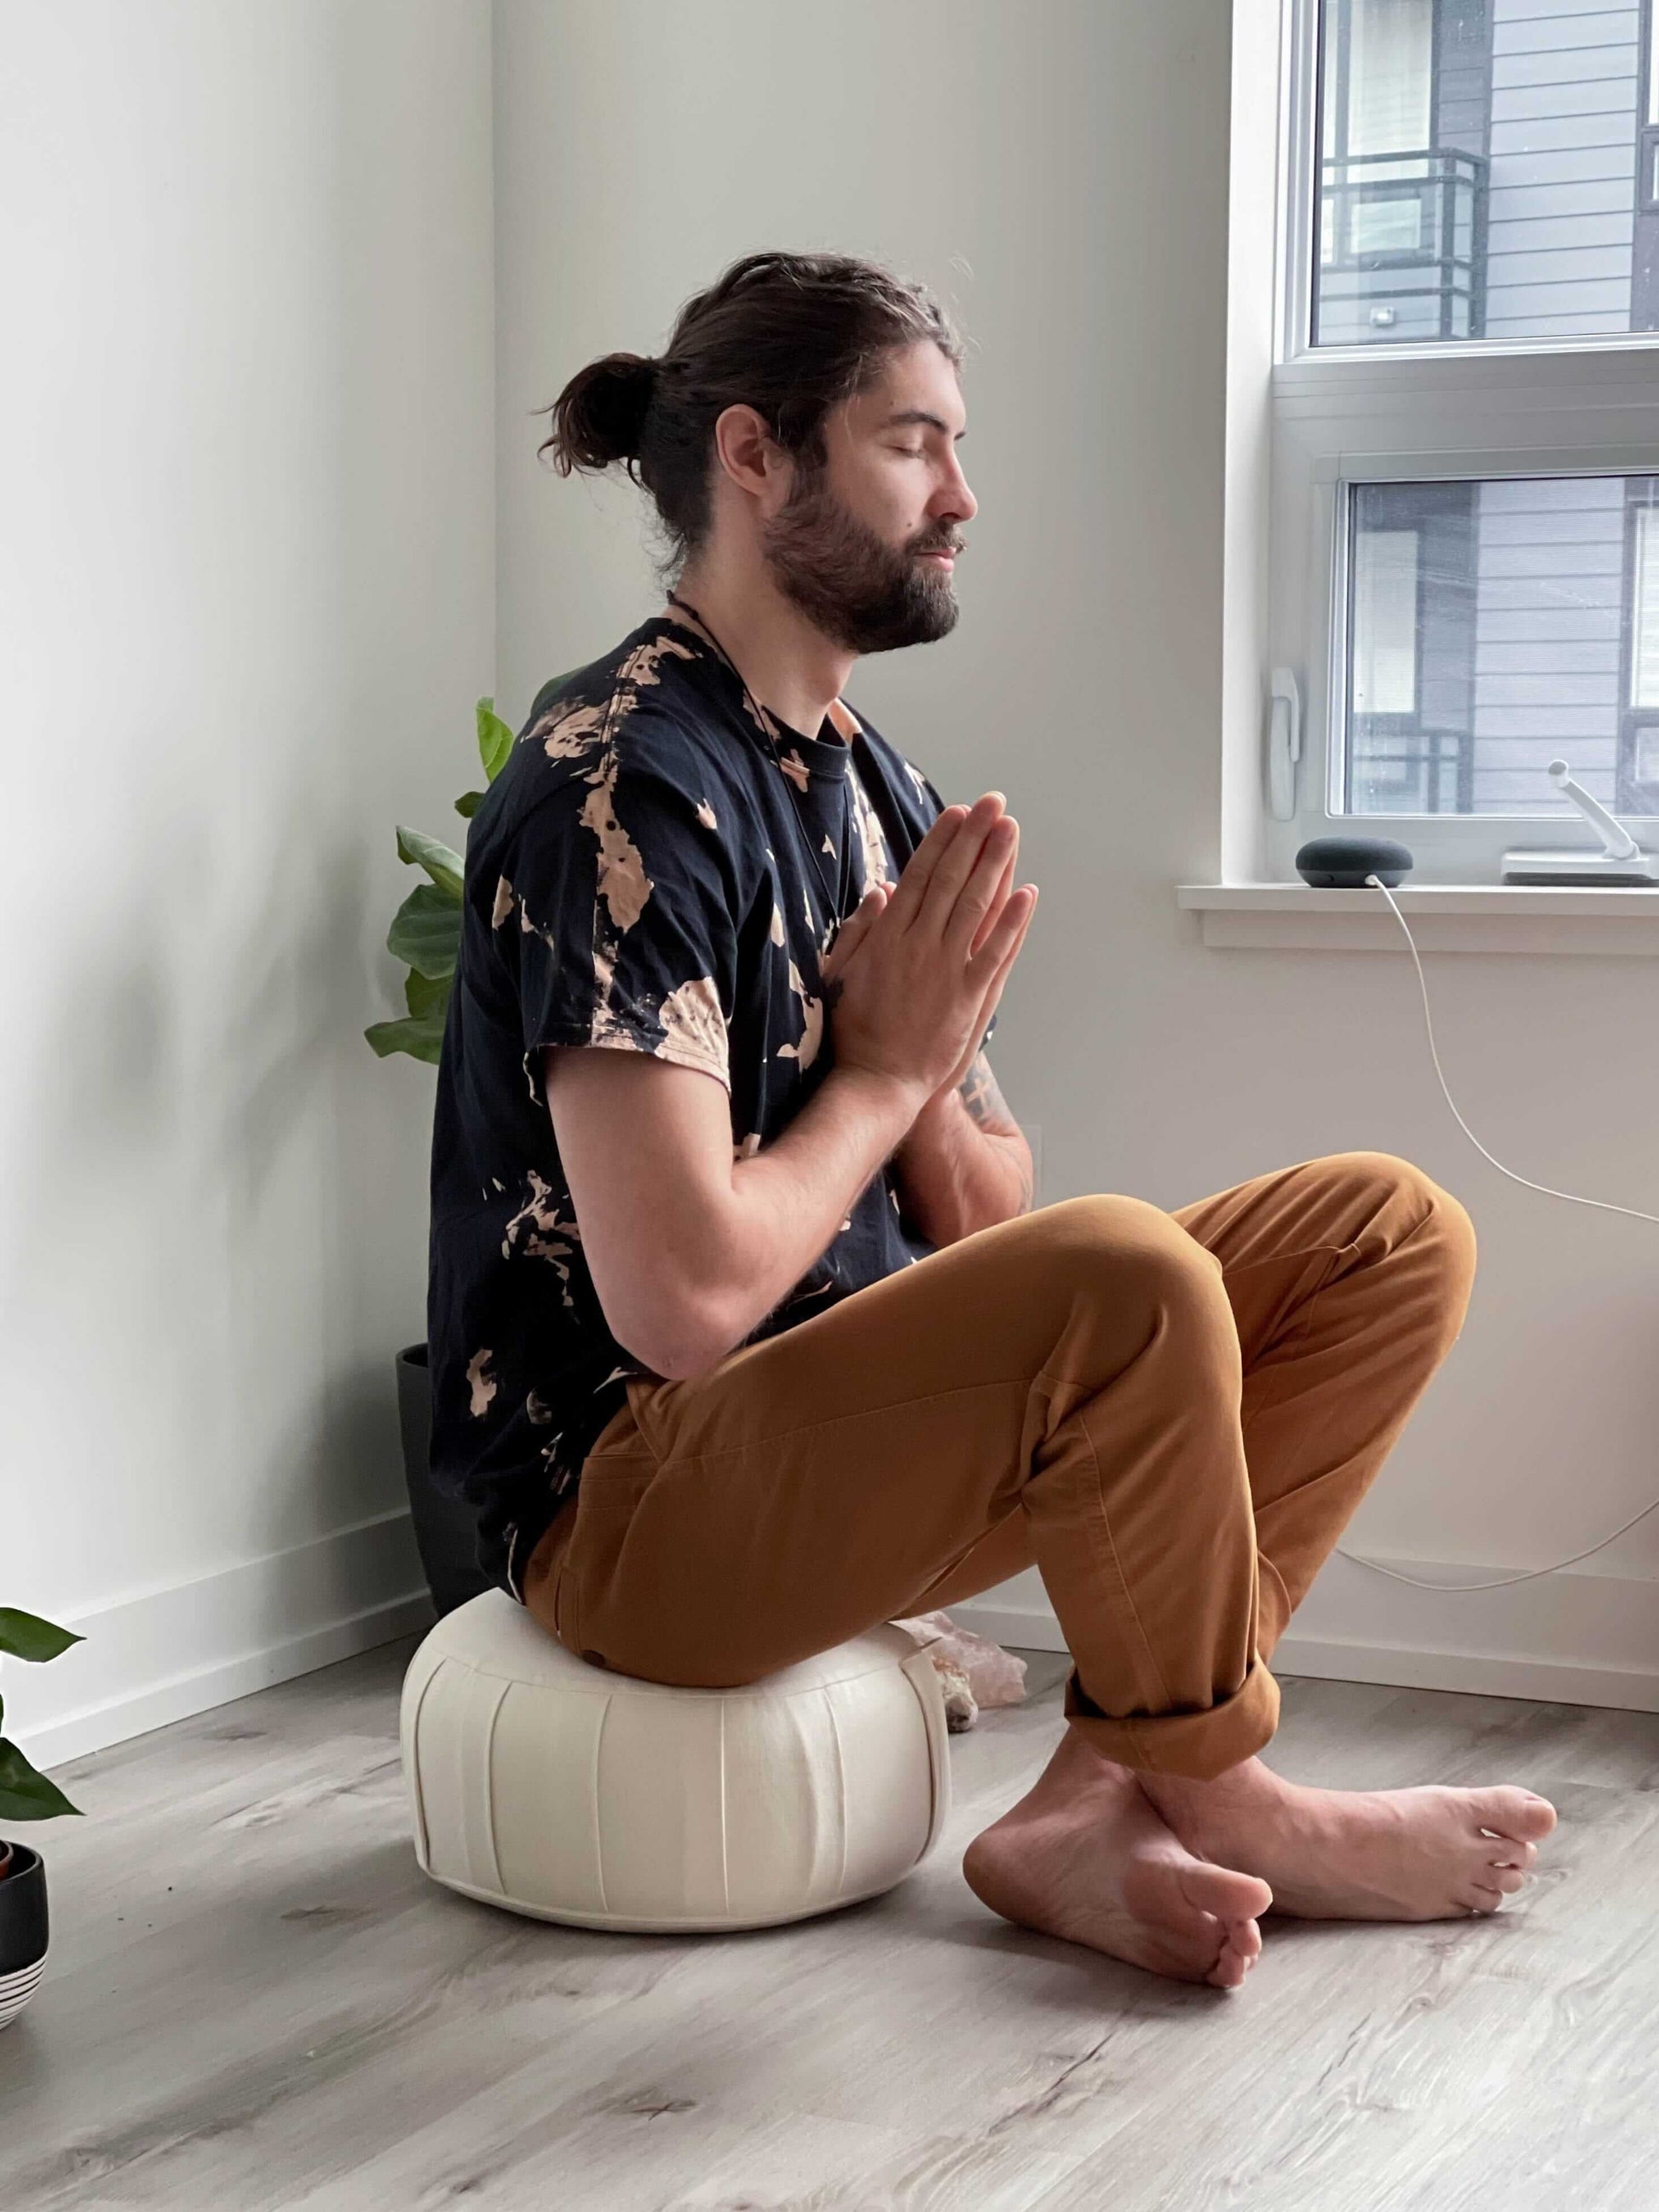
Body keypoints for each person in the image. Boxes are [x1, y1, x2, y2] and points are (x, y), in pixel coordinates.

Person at [426, 250, 1556, 1992]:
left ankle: (1094, 1802)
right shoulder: (619, 781)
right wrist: (882, 1071)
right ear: (755, 455)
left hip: (854, 1444)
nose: (960, 498)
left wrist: (929, 1062)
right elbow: (678, 1303)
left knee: (1386, 1230)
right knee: (1117, 1267)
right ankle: (1232, 1787)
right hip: (637, 1508)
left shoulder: (876, 784)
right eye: (910, 445)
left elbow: (993, 1197)